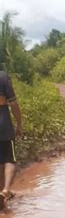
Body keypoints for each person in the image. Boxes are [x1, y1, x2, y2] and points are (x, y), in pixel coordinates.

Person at [0, 70, 23, 208]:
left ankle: (2, 200)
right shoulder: (3, 77)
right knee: (9, 160)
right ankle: (6, 189)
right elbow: (13, 104)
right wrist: (19, 124)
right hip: (4, 125)